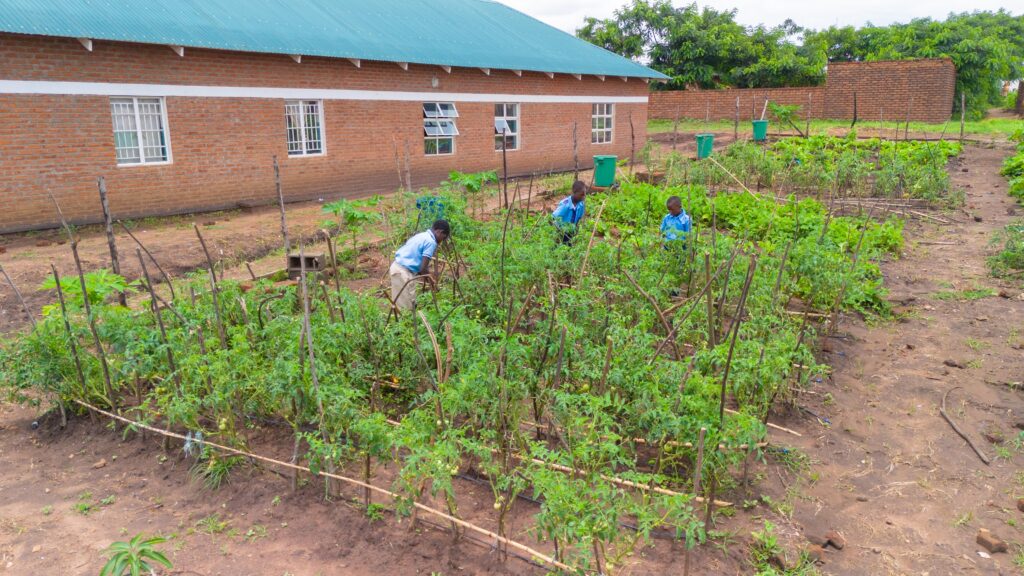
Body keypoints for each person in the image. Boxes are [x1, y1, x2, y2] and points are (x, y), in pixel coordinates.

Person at [390, 219, 450, 311]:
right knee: (405, 308)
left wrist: (427, 277)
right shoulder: (431, 242)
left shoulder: (422, 235)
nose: (442, 241)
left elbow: (419, 265)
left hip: (399, 269)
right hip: (402, 272)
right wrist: (431, 281)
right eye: (443, 237)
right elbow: (423, 268)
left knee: (406, 303)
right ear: (439, 232)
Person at [551, 180, 586, 244]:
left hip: (572, 231)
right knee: (562, 247)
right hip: (562, 232)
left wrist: (576, 230)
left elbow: (579, 218)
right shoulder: (565, 205)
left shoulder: (581, 205)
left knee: (571, 246)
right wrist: (559, 231)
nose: (583, 197)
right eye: (581, 195)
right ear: (574, 192)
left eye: (584, 194)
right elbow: (552, 218)